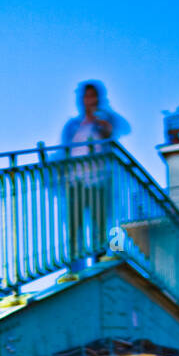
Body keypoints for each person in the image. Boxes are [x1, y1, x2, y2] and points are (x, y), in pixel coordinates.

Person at [60, 81, 130, 272]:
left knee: (99, 224)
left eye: (93, 96)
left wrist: (97, 118)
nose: (89, 100)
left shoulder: (103, 122)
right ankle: (75, 268)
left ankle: (98, 263)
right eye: (86, 96)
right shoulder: (73, 125)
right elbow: (64, 151)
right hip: (75, 182)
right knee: (75, 226)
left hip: (98, 181)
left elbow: (117, 130)